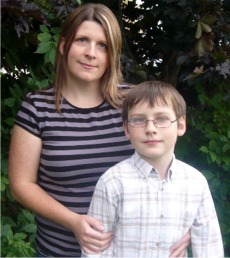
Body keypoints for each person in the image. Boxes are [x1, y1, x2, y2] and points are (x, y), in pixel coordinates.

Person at [8, 3, 190, 257]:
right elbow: (21, 184)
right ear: (63, 45)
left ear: (112, 54)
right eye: (82, 40)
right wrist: (73, 221)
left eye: (102, 45)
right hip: (60, 251)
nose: (91, 53)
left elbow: (171, 173)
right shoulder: (37, 108)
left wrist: (186, 227)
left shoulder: (134, 104)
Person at [84, 80, 224, 258]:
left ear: (181, 125)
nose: (150, 129)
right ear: (126, 129)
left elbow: (208, 245)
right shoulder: (112, 182)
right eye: (138, 120)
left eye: (161, 119)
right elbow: (96, 249)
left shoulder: (196, 183)